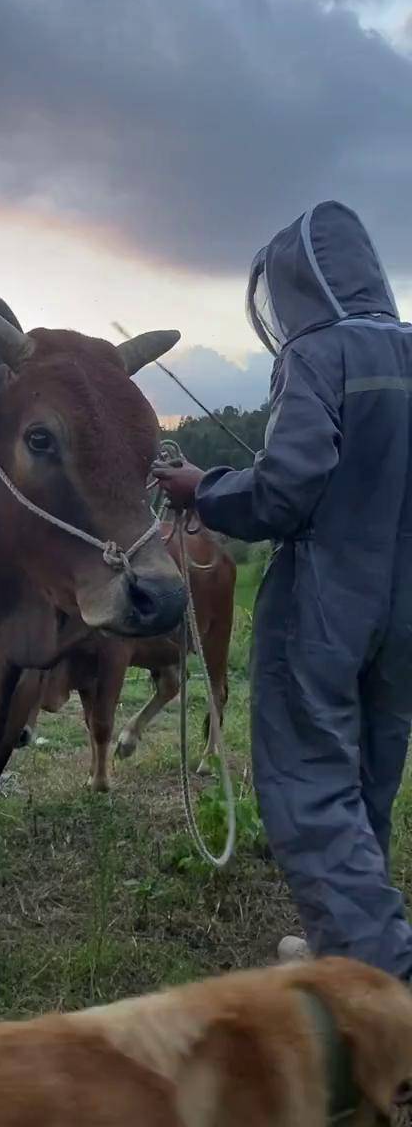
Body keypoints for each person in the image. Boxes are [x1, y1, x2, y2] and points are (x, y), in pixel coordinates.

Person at [154, 200, 412, 978]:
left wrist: (205, 488)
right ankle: (344, 948)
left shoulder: (316, 354)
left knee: (310, 783)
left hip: (326, 602)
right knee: (371, 770)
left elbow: (285, 490)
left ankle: (383, 987)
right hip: (406, 617)